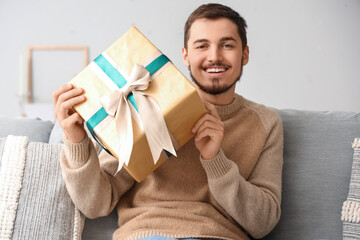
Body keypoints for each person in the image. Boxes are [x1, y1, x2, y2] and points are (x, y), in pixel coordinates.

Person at [52, 3, 283, 240]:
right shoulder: (146, 101)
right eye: (202, 46)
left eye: (227, 45)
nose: (214, 56)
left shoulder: (265, 123)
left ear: (244, 55)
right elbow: (95, 204)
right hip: (147, 234)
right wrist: (76, 140)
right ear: (185, 55)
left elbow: (263, 222)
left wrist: (215, 161)